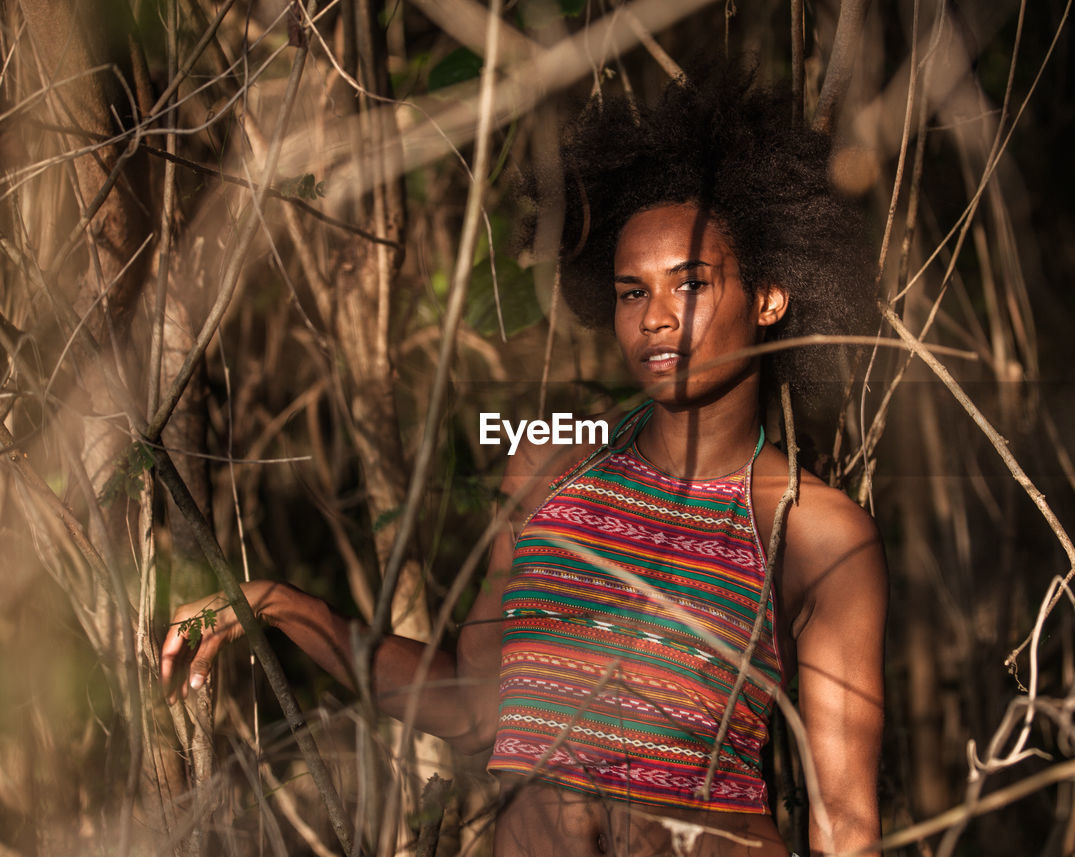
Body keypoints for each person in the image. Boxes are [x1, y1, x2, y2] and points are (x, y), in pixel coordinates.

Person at [162, 68, 887, 857]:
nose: (657, 319)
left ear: (771, 296)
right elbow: (476, 706)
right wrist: (276, 603)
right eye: (630, 292)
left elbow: (844, 824)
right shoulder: (548, 470)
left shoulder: (816, 530)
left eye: (692, 283)